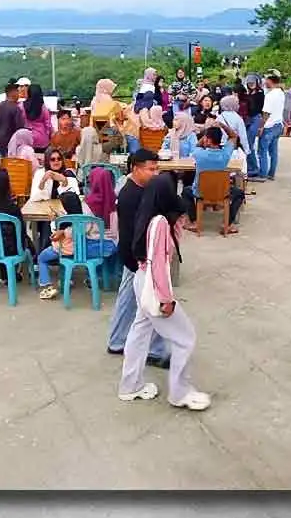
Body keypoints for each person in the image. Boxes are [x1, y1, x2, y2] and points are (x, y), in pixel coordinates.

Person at [118, 171, 209, 411]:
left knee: (139, 332)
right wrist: (166, 299)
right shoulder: (159, 222)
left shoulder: (147, 213)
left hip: (142, 279)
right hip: (153, 285)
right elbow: (159, 264)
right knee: (185, 337)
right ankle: (180, 393)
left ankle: (130, 385)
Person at [107, 149, 168, 367]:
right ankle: (155, 350)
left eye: (156, 169)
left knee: (129, 301)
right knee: (153, 304)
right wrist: (146, 260)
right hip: (137, 257)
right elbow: (137, 231)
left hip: (133, 255)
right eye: (151, 169)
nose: (155, 173)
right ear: (136, 169)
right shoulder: (131, 195)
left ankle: (117, 341)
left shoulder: (138, 188)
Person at [37, 170, 119, 300]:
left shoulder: (89, 205)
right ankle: (97, 278)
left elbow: (81, 228)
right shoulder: (114, 201)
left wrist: (63, 231)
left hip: (93, 246)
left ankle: (67, 280)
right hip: (112, 245)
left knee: (70, 249)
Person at [181, 124, 244, 235]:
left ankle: (195, 221)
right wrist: (222, 126)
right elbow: (234, 136)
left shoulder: (199, 154)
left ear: (208, 140)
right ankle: (227, 223)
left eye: (206, 138)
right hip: (222, 192)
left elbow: (197, 145)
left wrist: (206, 133)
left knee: (186, 191)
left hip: (200, 192)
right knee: (239, 193)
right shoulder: (225, 154)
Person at [0, 168, 35, 284]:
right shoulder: (12, 207)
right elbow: (21, 231)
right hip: (11, 249)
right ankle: (15, 272)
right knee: (27, 243)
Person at [257, 72, 286, 181]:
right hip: (278, 124)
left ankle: (263, 174)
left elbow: (266, 113)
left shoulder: (270, 95)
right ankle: (271, 173)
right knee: (273, 151)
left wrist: (261, 127)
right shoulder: (281, 93)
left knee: (262, 151)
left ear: (270, 80)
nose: (264, 82)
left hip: (269, 126)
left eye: (266, 80)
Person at [243, 73, 266, 179]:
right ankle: (251, 167)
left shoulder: (260, 94)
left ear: (257, 83)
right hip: (248, 119)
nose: (251, 84)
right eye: (249, 83)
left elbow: (257, 109)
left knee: (249, 144)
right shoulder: (248, 94)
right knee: (247, 144)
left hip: (255, 118)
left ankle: (253, 168)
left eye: (253, 83)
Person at [21, 84, 53, 154]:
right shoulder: (43, 108)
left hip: (27, 139)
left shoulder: (22, 106)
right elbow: (48, 125)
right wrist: (49, 137)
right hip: (42, 139)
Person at [0, 81, 26, 155]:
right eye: (17, 92)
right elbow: (20, 128)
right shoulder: (16, 108)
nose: (18, 94)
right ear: (12, 93)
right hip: (11, 141)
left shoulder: (0, 106)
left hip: (0, 139)